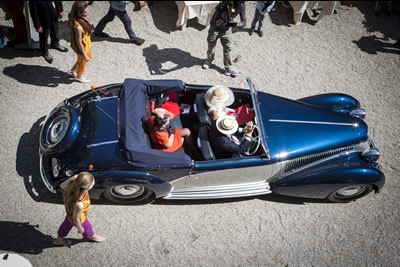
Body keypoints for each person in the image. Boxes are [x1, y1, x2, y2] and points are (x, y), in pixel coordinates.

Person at [53, 172, 106, 246]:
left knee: (65, 226)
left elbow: (62, 186)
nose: (93, 183)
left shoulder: (72, 188)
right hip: (80, 218)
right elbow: (76, 219)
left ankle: (59, 239)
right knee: (87, 227)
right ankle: (91, 236)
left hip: (69, 214)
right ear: (86, 187)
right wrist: (80, 228)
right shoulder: (79, 204)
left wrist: (72, 178)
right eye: (92, 184)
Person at [202, 1, 246, 77]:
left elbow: (244, 21)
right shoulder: (225, 3)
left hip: (227, 30)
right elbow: (215, 21)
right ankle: (209, 60)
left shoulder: (241, 6)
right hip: (215, 29)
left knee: (228, 49)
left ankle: (228, 68)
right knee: (211, 46)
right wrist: (223, 16)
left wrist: (238, 24)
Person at [67, 1, 92, 83]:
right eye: (85, 12)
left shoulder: (79, 20)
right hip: (82, 48)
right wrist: (84, 55)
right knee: (82, 61)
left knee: (82, 59)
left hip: (86, 46)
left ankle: (72, 70)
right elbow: (79, 44)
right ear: (79, 12)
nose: (87, 13)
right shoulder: (78, 27)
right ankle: (79, 76)